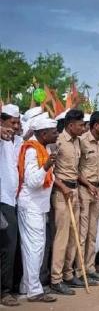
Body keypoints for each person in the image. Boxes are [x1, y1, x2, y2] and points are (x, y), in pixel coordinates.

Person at [17, 117, 59, 303]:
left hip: (39, 206)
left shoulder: (44, 148)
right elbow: (33, 181)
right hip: (31, 205)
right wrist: (48, 165)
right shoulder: (33, 151)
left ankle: (27, 286)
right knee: (35, 248)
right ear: (43, 134)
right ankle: (34, 290)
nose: (57, 134)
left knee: (34, 248)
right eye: (54, 132)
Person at [50, 109, 86, 294]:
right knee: (62, 237)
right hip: (61, 192)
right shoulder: (57, 141)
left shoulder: (78, 141)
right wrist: (62, 187)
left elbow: (76, 170)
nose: (83, 128)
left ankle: (68, 274)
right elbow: (49, 171)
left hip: (75, 190)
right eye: (80, 125)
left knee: (74, 236)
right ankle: (56, 279)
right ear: (70, 125)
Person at [77, 111, 99, 283]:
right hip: (84, 190)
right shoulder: (81, 141)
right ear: (95, 125)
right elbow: (74, 169)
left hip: (96, 190)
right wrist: (89, 185)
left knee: (92, 232)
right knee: (82, 233)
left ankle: (89, 268)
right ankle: (79, 270)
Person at [0, 104, 23, 307]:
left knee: (10, 246)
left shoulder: (14, 141)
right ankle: (4, 291)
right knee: (7, 246)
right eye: (11, 122)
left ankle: (10, 288)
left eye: (17, 122)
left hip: (12, 199)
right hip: (2, 200)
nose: (15, 126)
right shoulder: (2, 137)